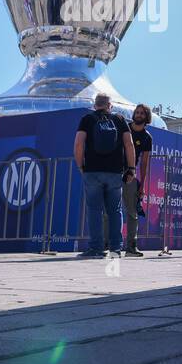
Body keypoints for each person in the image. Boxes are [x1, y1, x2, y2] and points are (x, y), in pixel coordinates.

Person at [73, 93, 136, 258]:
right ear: (110, 106)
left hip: (92, 170)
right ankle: (116, 248)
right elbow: (129, 144)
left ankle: (96, 248)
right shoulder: (120, 120)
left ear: (95, 105)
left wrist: (80, 165)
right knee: (115, 210)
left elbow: (79, 143)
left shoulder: (87, 119)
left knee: (94, 210)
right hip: (115, 171)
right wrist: (131, 168)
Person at [121, 103, 154, 257]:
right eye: (137, 112)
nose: (139, 115)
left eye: (142, 113)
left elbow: (145, 162)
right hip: (115, 172)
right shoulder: (124, 128)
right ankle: (107, 245)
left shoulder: (147, 137)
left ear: (146, 117)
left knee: (132, 212)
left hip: (131, 175)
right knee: (109, 211)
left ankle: (131, 247)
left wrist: (143, 185)